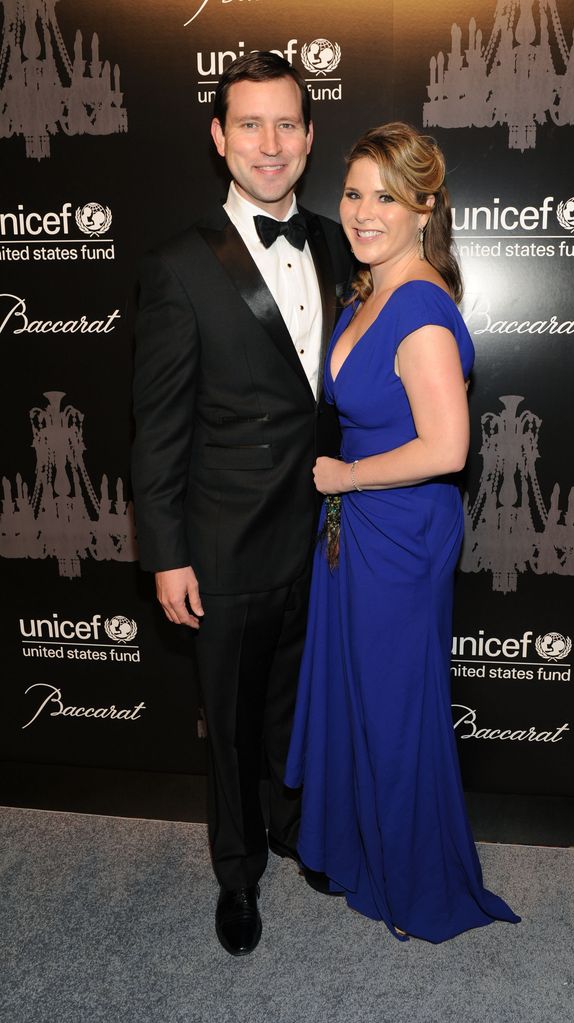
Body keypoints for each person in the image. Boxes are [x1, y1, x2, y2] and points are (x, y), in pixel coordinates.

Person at [131, 52, 352, 957]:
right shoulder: (179, 266)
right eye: (250, 125)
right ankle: (237, 873)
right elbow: (156, 427)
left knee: (296, 708)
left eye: (287, 124)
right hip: (221, 545)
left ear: (308, 136)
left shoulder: (341, 242)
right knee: (226, 722)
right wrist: (165, 551)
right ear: (220, 138)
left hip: (324, 537)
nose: (271, 144)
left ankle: (297, 830)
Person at [284, 122, 520, 942]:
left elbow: (447, 446)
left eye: (386, 195)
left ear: (425, 209)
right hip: (357, 529)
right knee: (361, 697)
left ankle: (416, 876)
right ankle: (360, 852)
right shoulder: (370, 289)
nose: (363, 210)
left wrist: (343, 476)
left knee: (392, 707)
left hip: (398, 528)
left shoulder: (417, 302)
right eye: (353, 192)